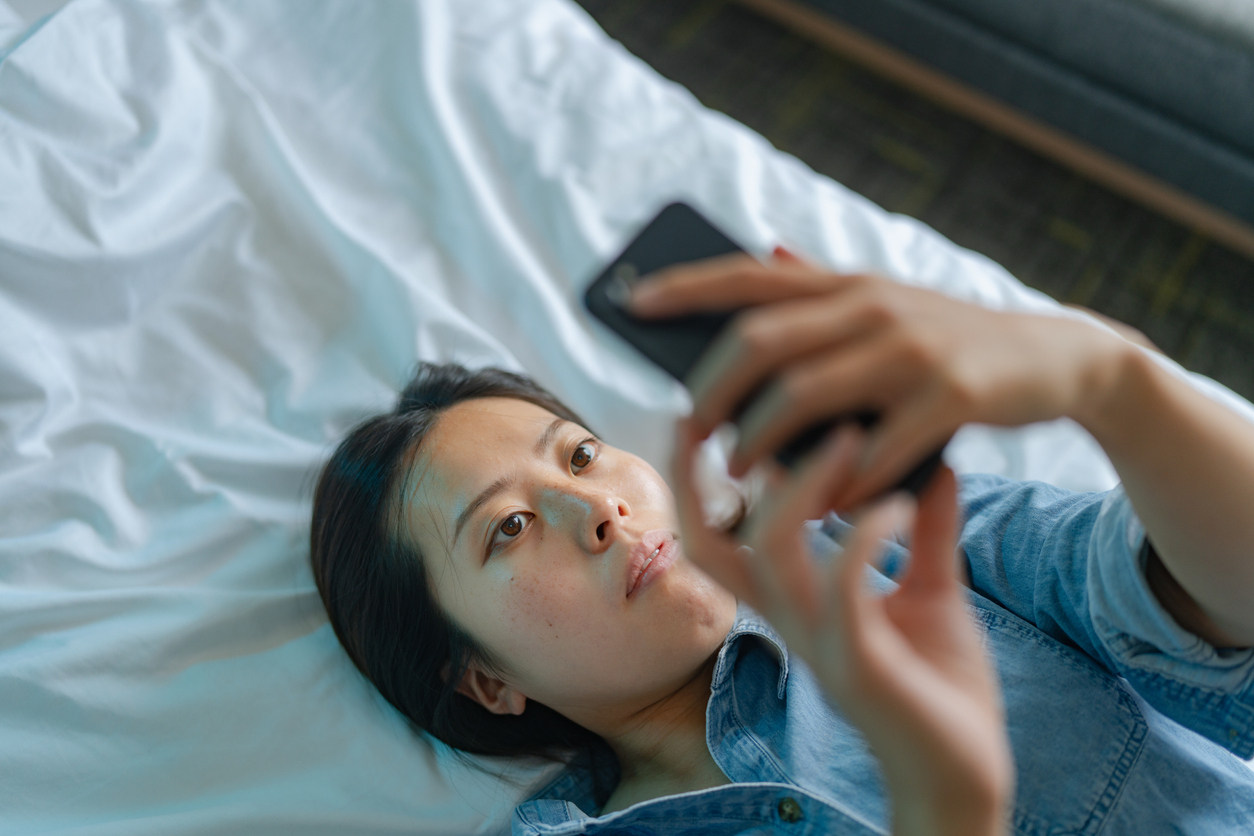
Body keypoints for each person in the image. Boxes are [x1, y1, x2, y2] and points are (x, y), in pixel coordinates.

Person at [309, 251, 1254, 836]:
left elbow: (1223, 608)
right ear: (485, 681)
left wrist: (1107, 378)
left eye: (583, 454)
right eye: (508, 529)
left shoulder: (882, 540)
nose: (595, 510)